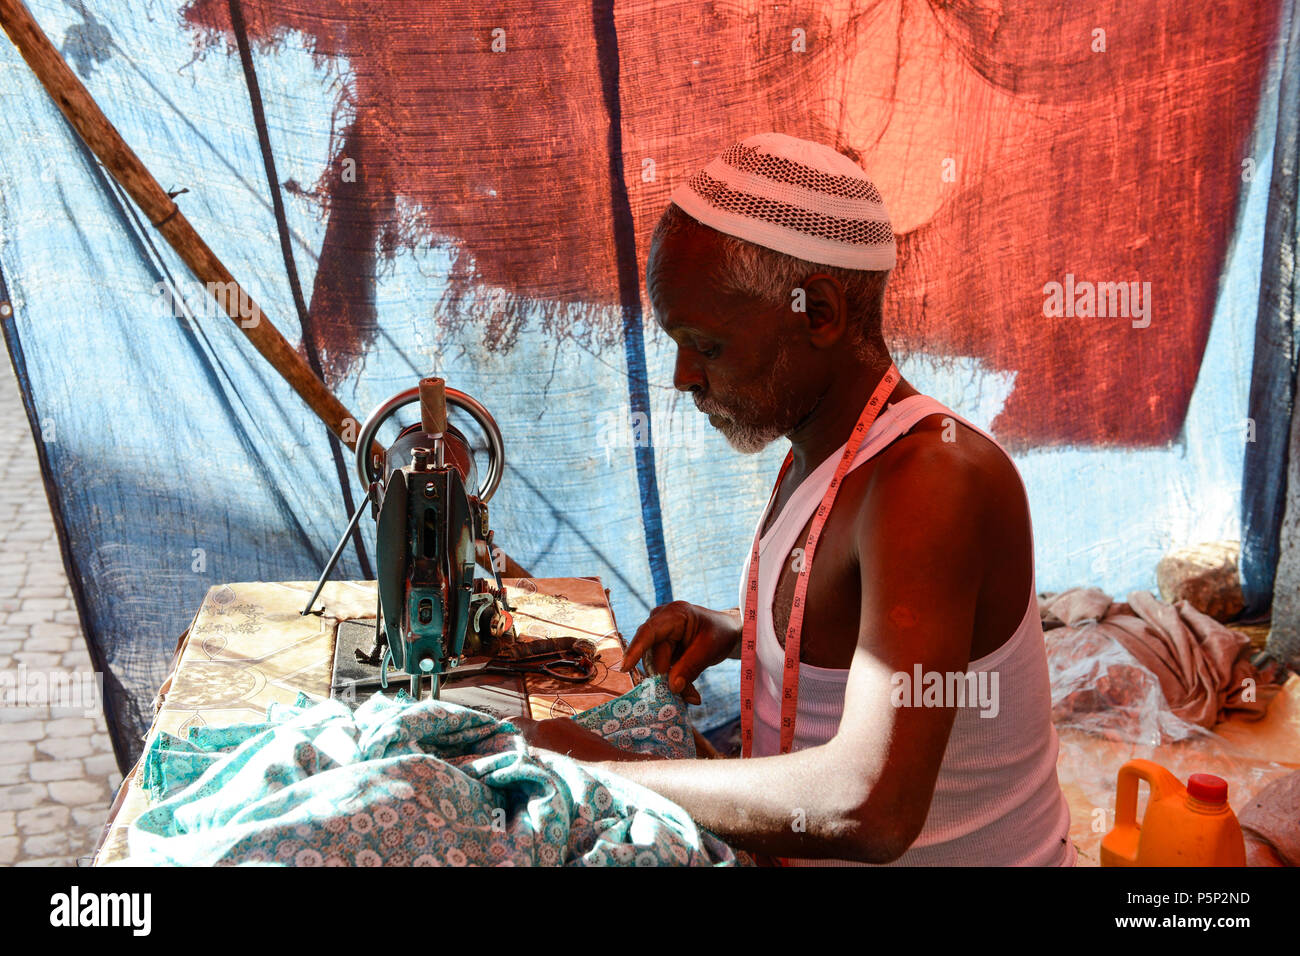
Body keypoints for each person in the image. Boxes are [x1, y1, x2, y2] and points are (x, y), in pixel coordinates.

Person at [514, 132, 1074, 865]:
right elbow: (863, 630)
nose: (683, 378)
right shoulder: (824, 451)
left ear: (819, 316)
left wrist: (606, 772)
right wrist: (749, 632)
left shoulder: (935, 482)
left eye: (706, 346)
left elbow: (867, 805)